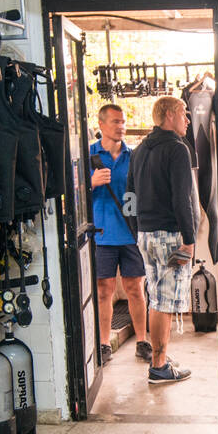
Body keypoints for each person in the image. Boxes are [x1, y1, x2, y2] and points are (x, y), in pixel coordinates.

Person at [129, 96, 197, 385]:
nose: (188, 120)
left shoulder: (140, 149)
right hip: (170, 237)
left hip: (146, 235)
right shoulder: (177, 149)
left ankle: (160, 359)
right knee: (164, 302)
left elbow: (128, 197)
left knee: (157, 297)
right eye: (184, 113)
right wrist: (190, 240)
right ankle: (158, 366)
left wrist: (137, 229)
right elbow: (182, 199)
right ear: (169, 115)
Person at [89, 104, 151, 365]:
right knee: (104, 291)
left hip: (129, 234)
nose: (121, 126)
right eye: (115, 122)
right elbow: (69, 192)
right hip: (101, 235)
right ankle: (103, 344)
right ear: (101, 125)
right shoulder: (89, 154)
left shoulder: (134, 155)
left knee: (135, 289)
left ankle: (142, 341)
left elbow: (139, 193)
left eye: (123, 122)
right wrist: (90, 182)